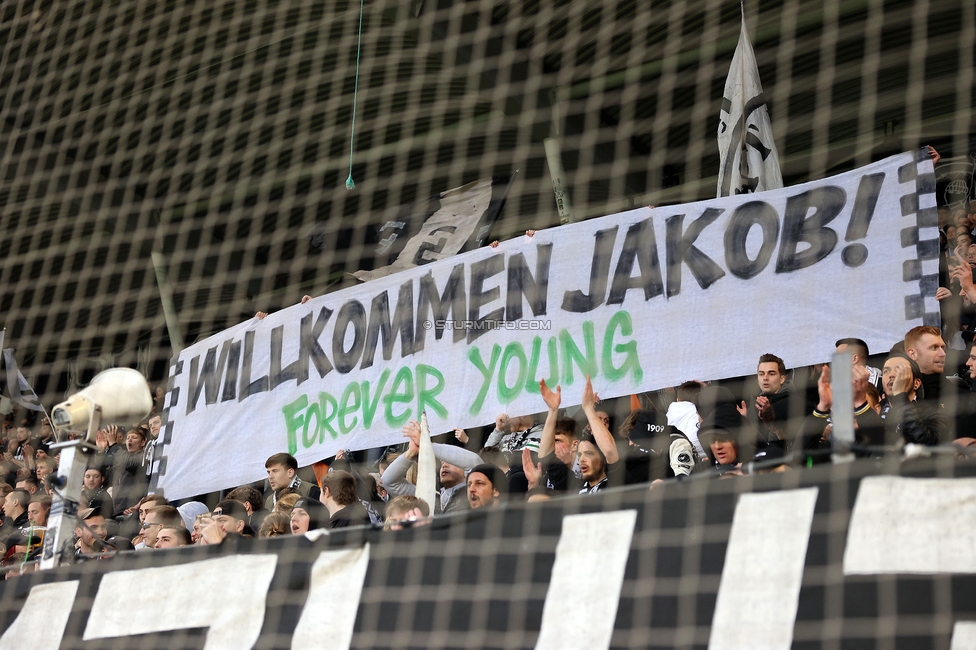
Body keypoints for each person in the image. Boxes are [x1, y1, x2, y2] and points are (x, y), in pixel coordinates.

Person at [382, 422, 482, 514]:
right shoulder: (426, 496)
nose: (444, 465)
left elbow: (475, 462)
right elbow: (389, 481)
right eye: (442, 463)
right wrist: (411, 452)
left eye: (451, 462)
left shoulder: (475, 491)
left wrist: (426, 445)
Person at [882, 354, 945, 446]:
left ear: (916, 383)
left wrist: (900, 397)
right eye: (886, 371)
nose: (891, 375)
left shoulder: (934, 412)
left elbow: (927, 443)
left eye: (899, 370)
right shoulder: (877, 410)